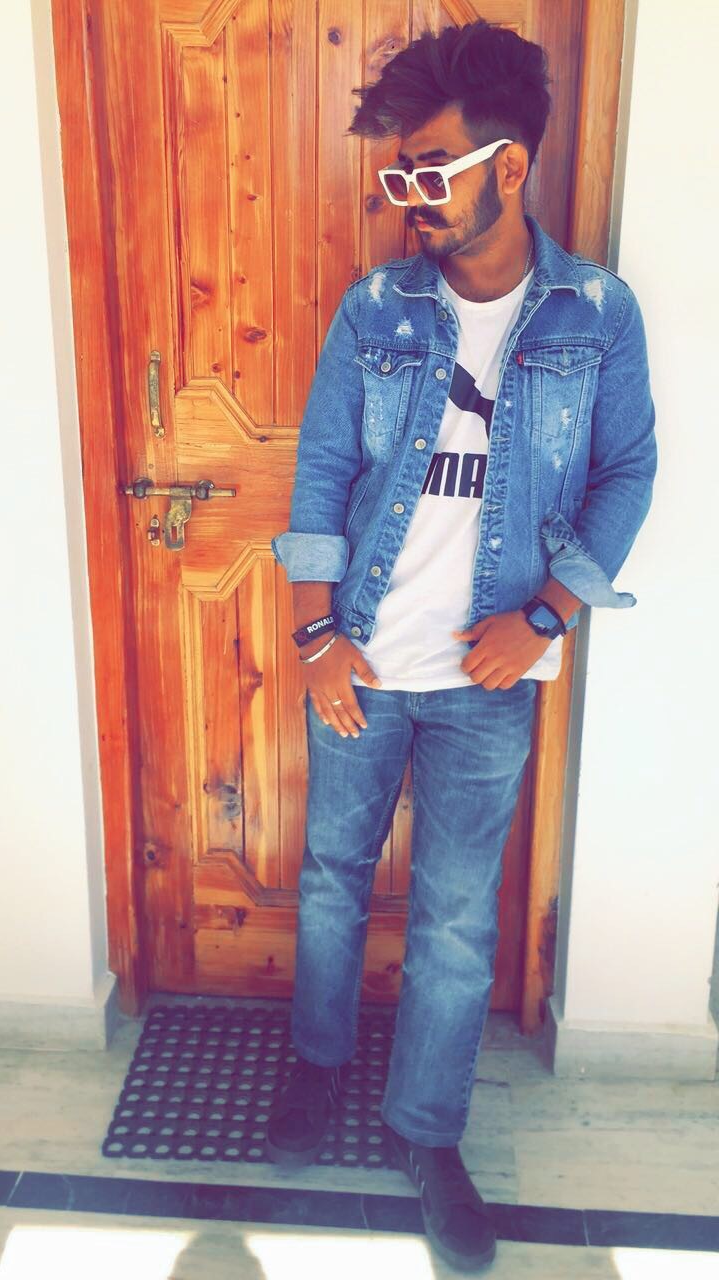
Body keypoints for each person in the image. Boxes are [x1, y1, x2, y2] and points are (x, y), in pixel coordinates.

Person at [266, 17, 657, 1273]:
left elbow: (629, 471)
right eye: (401, 174)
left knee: (451, 918)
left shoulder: (598, 314)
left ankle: (427, 1131)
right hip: (363, 663)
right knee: (332, 877)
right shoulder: (375, 307)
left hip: (491, 681)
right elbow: (323, 468)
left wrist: (544, 615)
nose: (412, 196)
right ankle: (318, 1064)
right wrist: (317, 632)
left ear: (510, 165)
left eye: (432, 170)